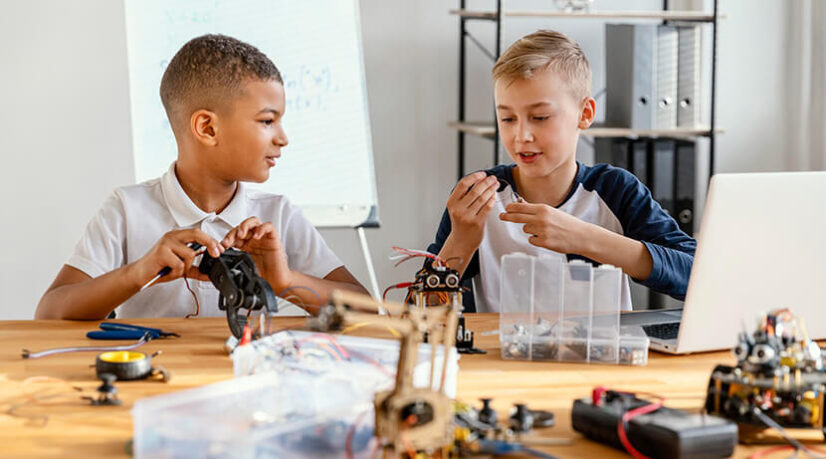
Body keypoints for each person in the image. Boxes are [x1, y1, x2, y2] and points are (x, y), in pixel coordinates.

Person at [36, 34, 368, 320]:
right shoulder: (127, 209)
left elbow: (368, 311)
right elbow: (49, 313)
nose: (283, 138)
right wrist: (136, 273)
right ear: (207, 128)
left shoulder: (277, 215)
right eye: (267, 121)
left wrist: (284, 281)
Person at [427, 30, 696, 312]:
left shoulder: (616, 191)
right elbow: (422, 313)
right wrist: (460, 243)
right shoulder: (478, 198)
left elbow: (697, 275)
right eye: (507, 118)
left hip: (598, 343)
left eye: (540, 117)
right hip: (500, 343)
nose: (522, 136)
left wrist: (586, 238)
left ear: (585, 114)